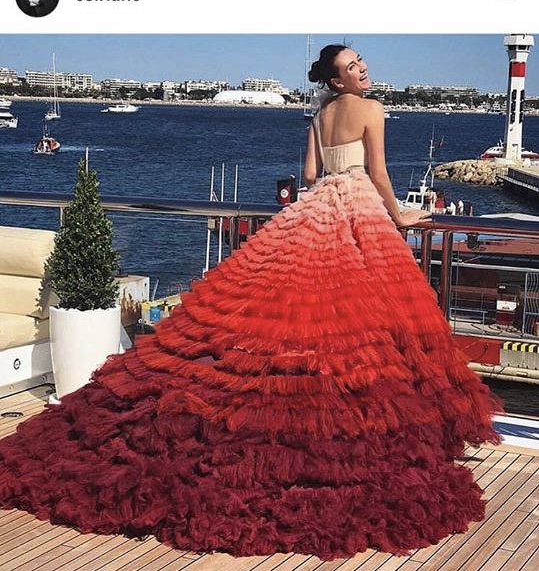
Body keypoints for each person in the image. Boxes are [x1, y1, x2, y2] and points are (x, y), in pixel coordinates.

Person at [0, 45, 502, 561]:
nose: (363, 69)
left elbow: (310, 177)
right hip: (359, 214)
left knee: (285, 317)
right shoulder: (371, 109)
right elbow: (378, 174)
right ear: (337, 80)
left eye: (361, 62)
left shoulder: (319, 115)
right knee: (361, 326)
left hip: (314, 212)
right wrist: (400, 217)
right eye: (353, 66)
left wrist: (334, 181)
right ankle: (338, 424)